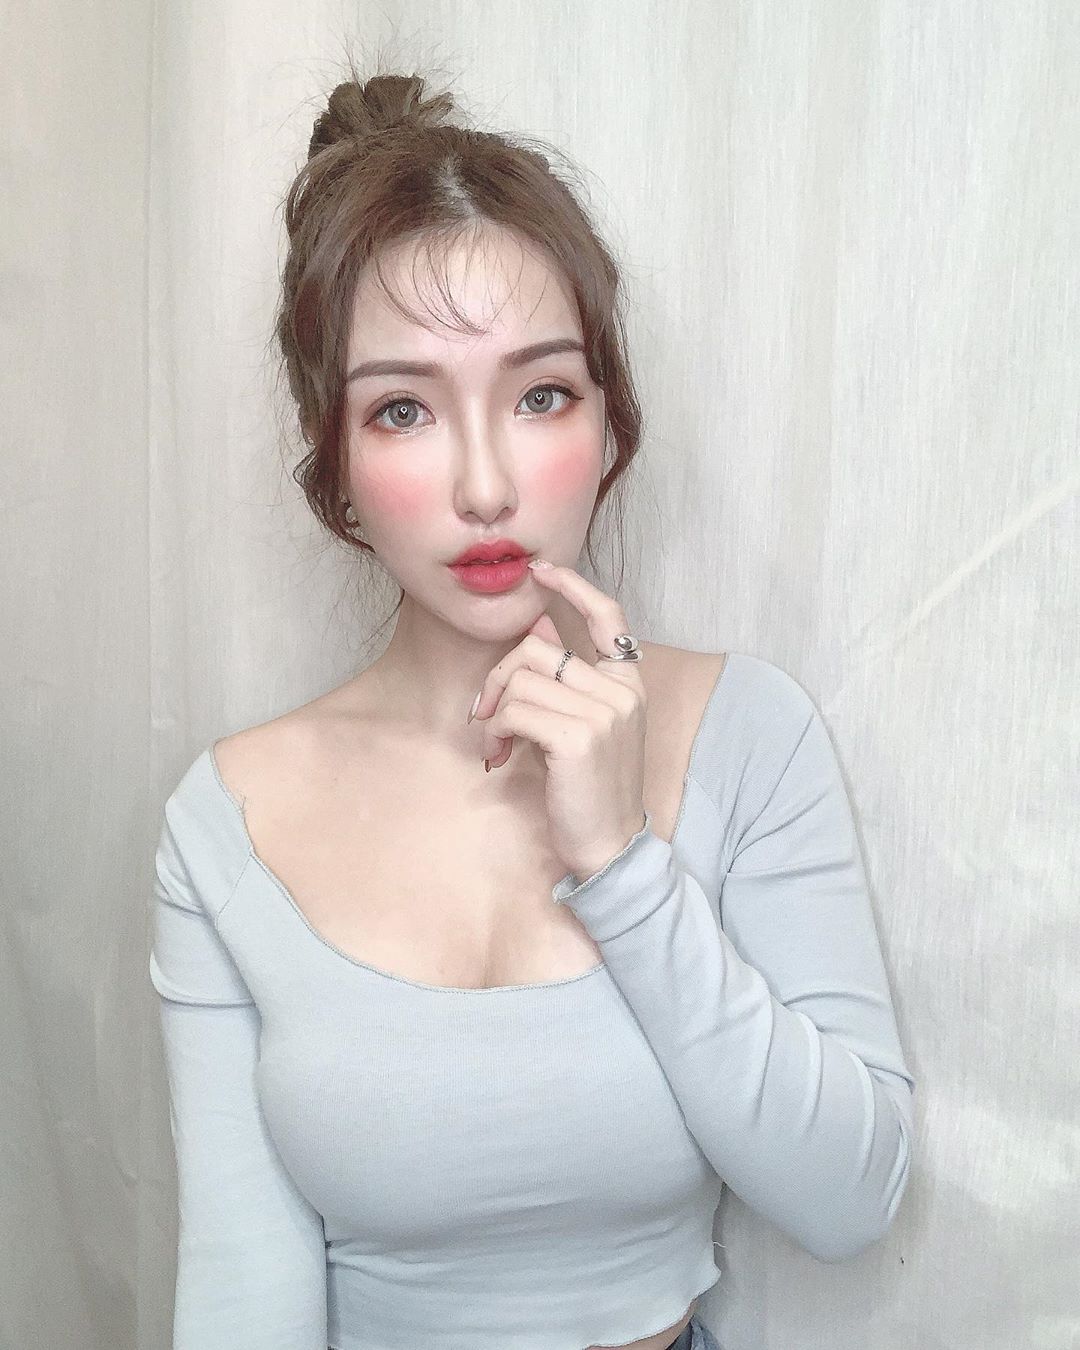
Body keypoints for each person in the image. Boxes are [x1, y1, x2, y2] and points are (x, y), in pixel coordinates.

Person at [149, 66, 916, 1350]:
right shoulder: (227, 818)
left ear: (611, 425)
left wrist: (621, 864)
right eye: (404, 410)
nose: (487, 485)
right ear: (336, 466)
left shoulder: (748, 734)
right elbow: (242, 1287)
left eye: (541, 395)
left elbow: (851, 1200)